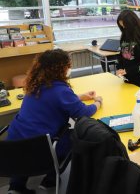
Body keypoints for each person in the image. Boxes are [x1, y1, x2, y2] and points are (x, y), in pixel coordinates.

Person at [7, 49, 102, 193]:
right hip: (41, 151)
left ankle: (16, 188)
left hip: (12, 147)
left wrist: (80, 96)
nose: (69, 69)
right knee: (76, 136)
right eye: (68, 65)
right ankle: (49, 181)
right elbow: (83, 113)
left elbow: (53, 99)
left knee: (26, 142)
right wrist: (98, 103)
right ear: (60, 68)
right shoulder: (61, 90)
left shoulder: (35, 85)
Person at [116, 10, 140, 89]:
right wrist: (120, 67)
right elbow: (122, 54)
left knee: (139, 100)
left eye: (125, 26)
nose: (124, 28)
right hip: (126, 77)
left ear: (132, 24)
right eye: (122, 26)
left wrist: (129, 70)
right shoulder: (125, 34)